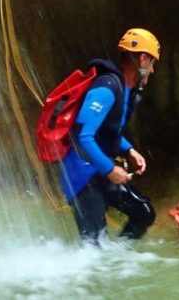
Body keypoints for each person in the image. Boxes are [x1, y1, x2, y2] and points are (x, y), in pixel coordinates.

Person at [59, 28, 159, 244]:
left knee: (144, 213)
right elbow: (82, 136)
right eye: (152, 63)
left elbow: (107, 131)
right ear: (142, 59)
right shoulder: (107, 88)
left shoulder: (125, 91)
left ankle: (119, 262)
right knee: (94, 248)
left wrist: (129, 150)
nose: (152, 71)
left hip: (99, 170)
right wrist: (110, 169)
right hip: (81, 176)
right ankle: (105, 267)